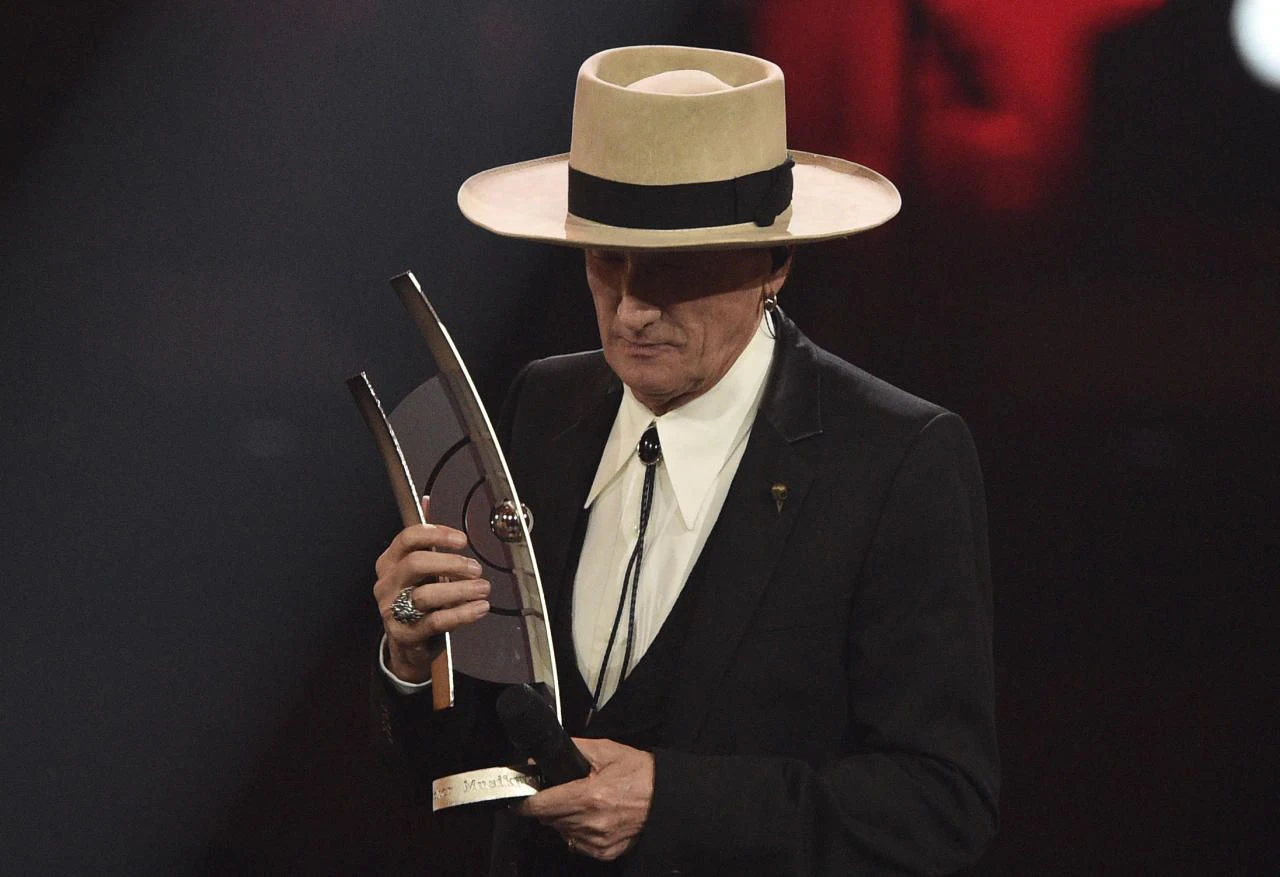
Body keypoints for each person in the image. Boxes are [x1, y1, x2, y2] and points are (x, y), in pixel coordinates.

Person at [369, 45, 998, 876]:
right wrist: (414, 658)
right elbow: (464, 759)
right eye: (607, 258)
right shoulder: (542, 408)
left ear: (775, 262)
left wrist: (673, 805)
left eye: (675, 267)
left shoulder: (894, 461)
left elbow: (941, 805)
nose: (632, 308)